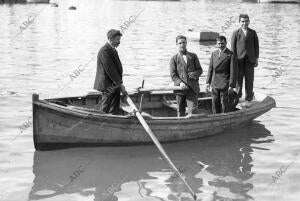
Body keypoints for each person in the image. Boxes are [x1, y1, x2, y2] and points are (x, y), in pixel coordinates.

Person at [93, 29, 126, 115]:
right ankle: (100, 123)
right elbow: (110, 70)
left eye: (119, 40)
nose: (119, 42)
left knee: (114, 107)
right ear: (110, 39)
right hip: (107, 85)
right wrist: (120, 83)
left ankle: (114, 119)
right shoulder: (105, 51)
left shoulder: (113, 50)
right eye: (117, 40)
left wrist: (119, 84)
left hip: (115, 84)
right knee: (105, 107)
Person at [170, 35, 203, 117]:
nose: (182, 45)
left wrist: (195, 74)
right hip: (180, 90)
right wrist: (180, 83)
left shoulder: (193, 56)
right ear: (176, 44)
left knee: (193, 112)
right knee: (180, 112)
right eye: (180, 43)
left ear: (186, 43)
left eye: (184, 42)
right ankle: (180, 126)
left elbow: (200, 70)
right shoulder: (174, 58)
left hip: (192, 88)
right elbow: (173, 75)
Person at [231, 14, 259, 105]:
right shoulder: (236, 33)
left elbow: (256, 46)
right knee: (239, 80)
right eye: (242, 21)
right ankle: (237, 98)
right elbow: (233, 49)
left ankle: (248, 99)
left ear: (249, 21)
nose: (244, 23)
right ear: (239, 22)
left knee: (249, 79)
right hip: (239, 60)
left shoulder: (253, 32)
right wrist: (233, 61)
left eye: (246, 21)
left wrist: (256, 59)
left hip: (250, 60)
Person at [206, 36, 237, 114]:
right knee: (215, 102)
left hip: (225, 82)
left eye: (222, 43)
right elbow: (210, 69)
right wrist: (208, 82)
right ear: (217, 44)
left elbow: (233, 71)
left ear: (226, 43)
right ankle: (215, 118)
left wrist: (231, 85)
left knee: (224, 104)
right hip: (215, 82)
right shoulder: (214, 54)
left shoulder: (230, 54)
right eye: (219, 43)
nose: (220, 45)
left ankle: (224, 118)